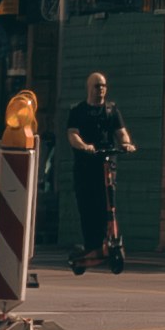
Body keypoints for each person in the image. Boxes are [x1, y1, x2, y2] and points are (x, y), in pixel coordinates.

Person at [62, 70, 134, 273]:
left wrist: (126, 143)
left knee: (108, 205)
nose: (101, 89)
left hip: (106, 166)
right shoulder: (78, 111)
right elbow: (72, 134)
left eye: (103, 86)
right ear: (89, 88)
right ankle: (91, 245)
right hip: (86, 167)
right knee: (88, 207)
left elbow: (121, 132)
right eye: (97, 86)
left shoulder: (111, 110)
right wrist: (84, 146)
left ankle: (108, 240)